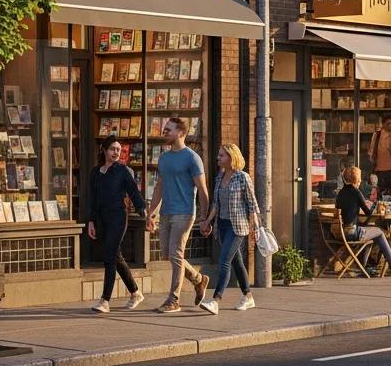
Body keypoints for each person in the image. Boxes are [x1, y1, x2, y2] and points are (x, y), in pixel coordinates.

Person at [145, 116, 211, 314]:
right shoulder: (164, 158)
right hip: (166, 212)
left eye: (169, 130)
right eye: (164, 129)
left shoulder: (192, 158)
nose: (164, 132)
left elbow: (203, 190)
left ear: (181, 133)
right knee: (168, 254)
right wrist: (151, 213)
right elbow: (159, 187)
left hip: (184, 213)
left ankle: (174, 300)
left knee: (176, 254)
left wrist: (205, 219)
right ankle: (198, 279)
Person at [197, 143, 261, 313]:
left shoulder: (242, 177)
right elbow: (216, 204)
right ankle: (248, 297)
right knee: (237, 262)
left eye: (221, 156)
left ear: (232, 157)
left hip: (237, 226)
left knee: (224, 260)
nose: (218, 158)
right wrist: (207, 221)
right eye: (218, 155)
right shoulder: (220, 177)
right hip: (222, 225)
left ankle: (216, 300)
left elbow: (252, 204)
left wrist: (255, 227)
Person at [86, 136, 146, 313]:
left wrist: (142, 210)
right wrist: (91, 221)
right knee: (115, 256)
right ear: (104, 150)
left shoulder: (122, 171)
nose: (116, 152)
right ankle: (135, 292)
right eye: (113, 149)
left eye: (118, 149)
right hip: (101, 219)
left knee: (109, 257)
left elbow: (133, 192)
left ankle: (105, 300)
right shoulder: (95, 172)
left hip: (118, 218)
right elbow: (93, 199)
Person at [335, 166, 391, 276]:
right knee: (379, 232)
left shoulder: (341, 193)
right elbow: (368, 213)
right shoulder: (356, 192)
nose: (361, 180)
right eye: (360, 178)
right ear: (356, 179)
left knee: (372, 233)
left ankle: (365, 266)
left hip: (341, 231)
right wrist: (376, 204)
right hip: (352, 232)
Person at [368, 114, 391, 194]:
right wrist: (372, 160)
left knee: (390, 191)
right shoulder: (377, 135)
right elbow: (372, 149)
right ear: (383, 124)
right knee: (377, 190)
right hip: (378, 168)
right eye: (388, 123)